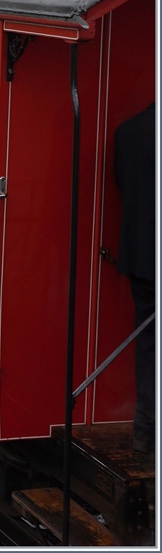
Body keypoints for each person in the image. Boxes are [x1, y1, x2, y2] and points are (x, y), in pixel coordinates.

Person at [113, 102, 155, 454]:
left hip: (140, 258)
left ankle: (145, 428)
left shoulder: (128, 131)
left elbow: (123, 188)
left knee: (148, 342)